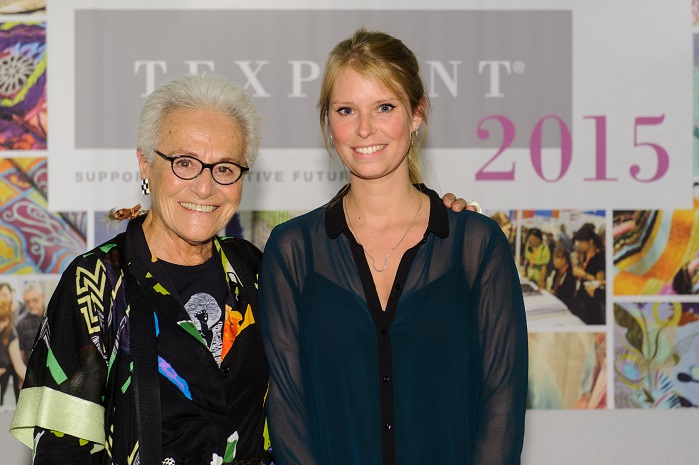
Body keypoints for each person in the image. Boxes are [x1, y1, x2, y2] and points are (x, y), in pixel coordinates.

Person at [9, 73, 473, 465]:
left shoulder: (256, 271)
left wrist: (427, 219)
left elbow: (353, 346)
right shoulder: (95, 283)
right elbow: (61, 450)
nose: (206, 187)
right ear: (145, 164)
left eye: (226, 168)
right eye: (185, 163)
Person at [259, 29, 528, 465]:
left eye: (384, 107)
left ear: (417, 113)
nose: (365, 129)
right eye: (346, 110)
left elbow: (503, 404)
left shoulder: (475, 246)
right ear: (329, 120)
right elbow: (288, 411)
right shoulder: (292, 252)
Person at [571, 224, 606, 324]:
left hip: (591, 304)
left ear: (590, 242)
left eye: (582, 242)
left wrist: (583, 274)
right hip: (581, 299)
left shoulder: (599, 257)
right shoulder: (584, 255)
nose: (579, 245)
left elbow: (599, 282)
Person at [0, 298, 27, 405]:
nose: (1, 326)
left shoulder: (10, 332)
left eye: (4, 321)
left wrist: (34, 381)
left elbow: (19, 366)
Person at [15, 281, 46, 364]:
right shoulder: (21, 323)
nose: (31, 305)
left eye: (35, 300)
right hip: (31, 370)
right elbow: (21, 353)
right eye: (27, 302)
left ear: (42, 297)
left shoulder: (53, 316)